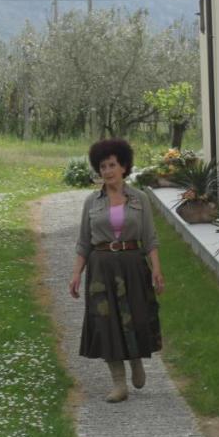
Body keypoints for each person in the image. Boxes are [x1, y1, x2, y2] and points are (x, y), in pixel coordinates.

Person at [68, 138, 166, 403]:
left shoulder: (140, 199)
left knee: (136, 316)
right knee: (105, 322)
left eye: (112, 165)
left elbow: (150, 238)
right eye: (102, 166)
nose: (107, 171)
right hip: (101, 267)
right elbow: (84, 242)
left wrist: (156, 270)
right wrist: (76, 273)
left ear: (123, 167)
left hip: (133, 264)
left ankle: (136, 360)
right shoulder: (92, 202)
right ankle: (118, 383)